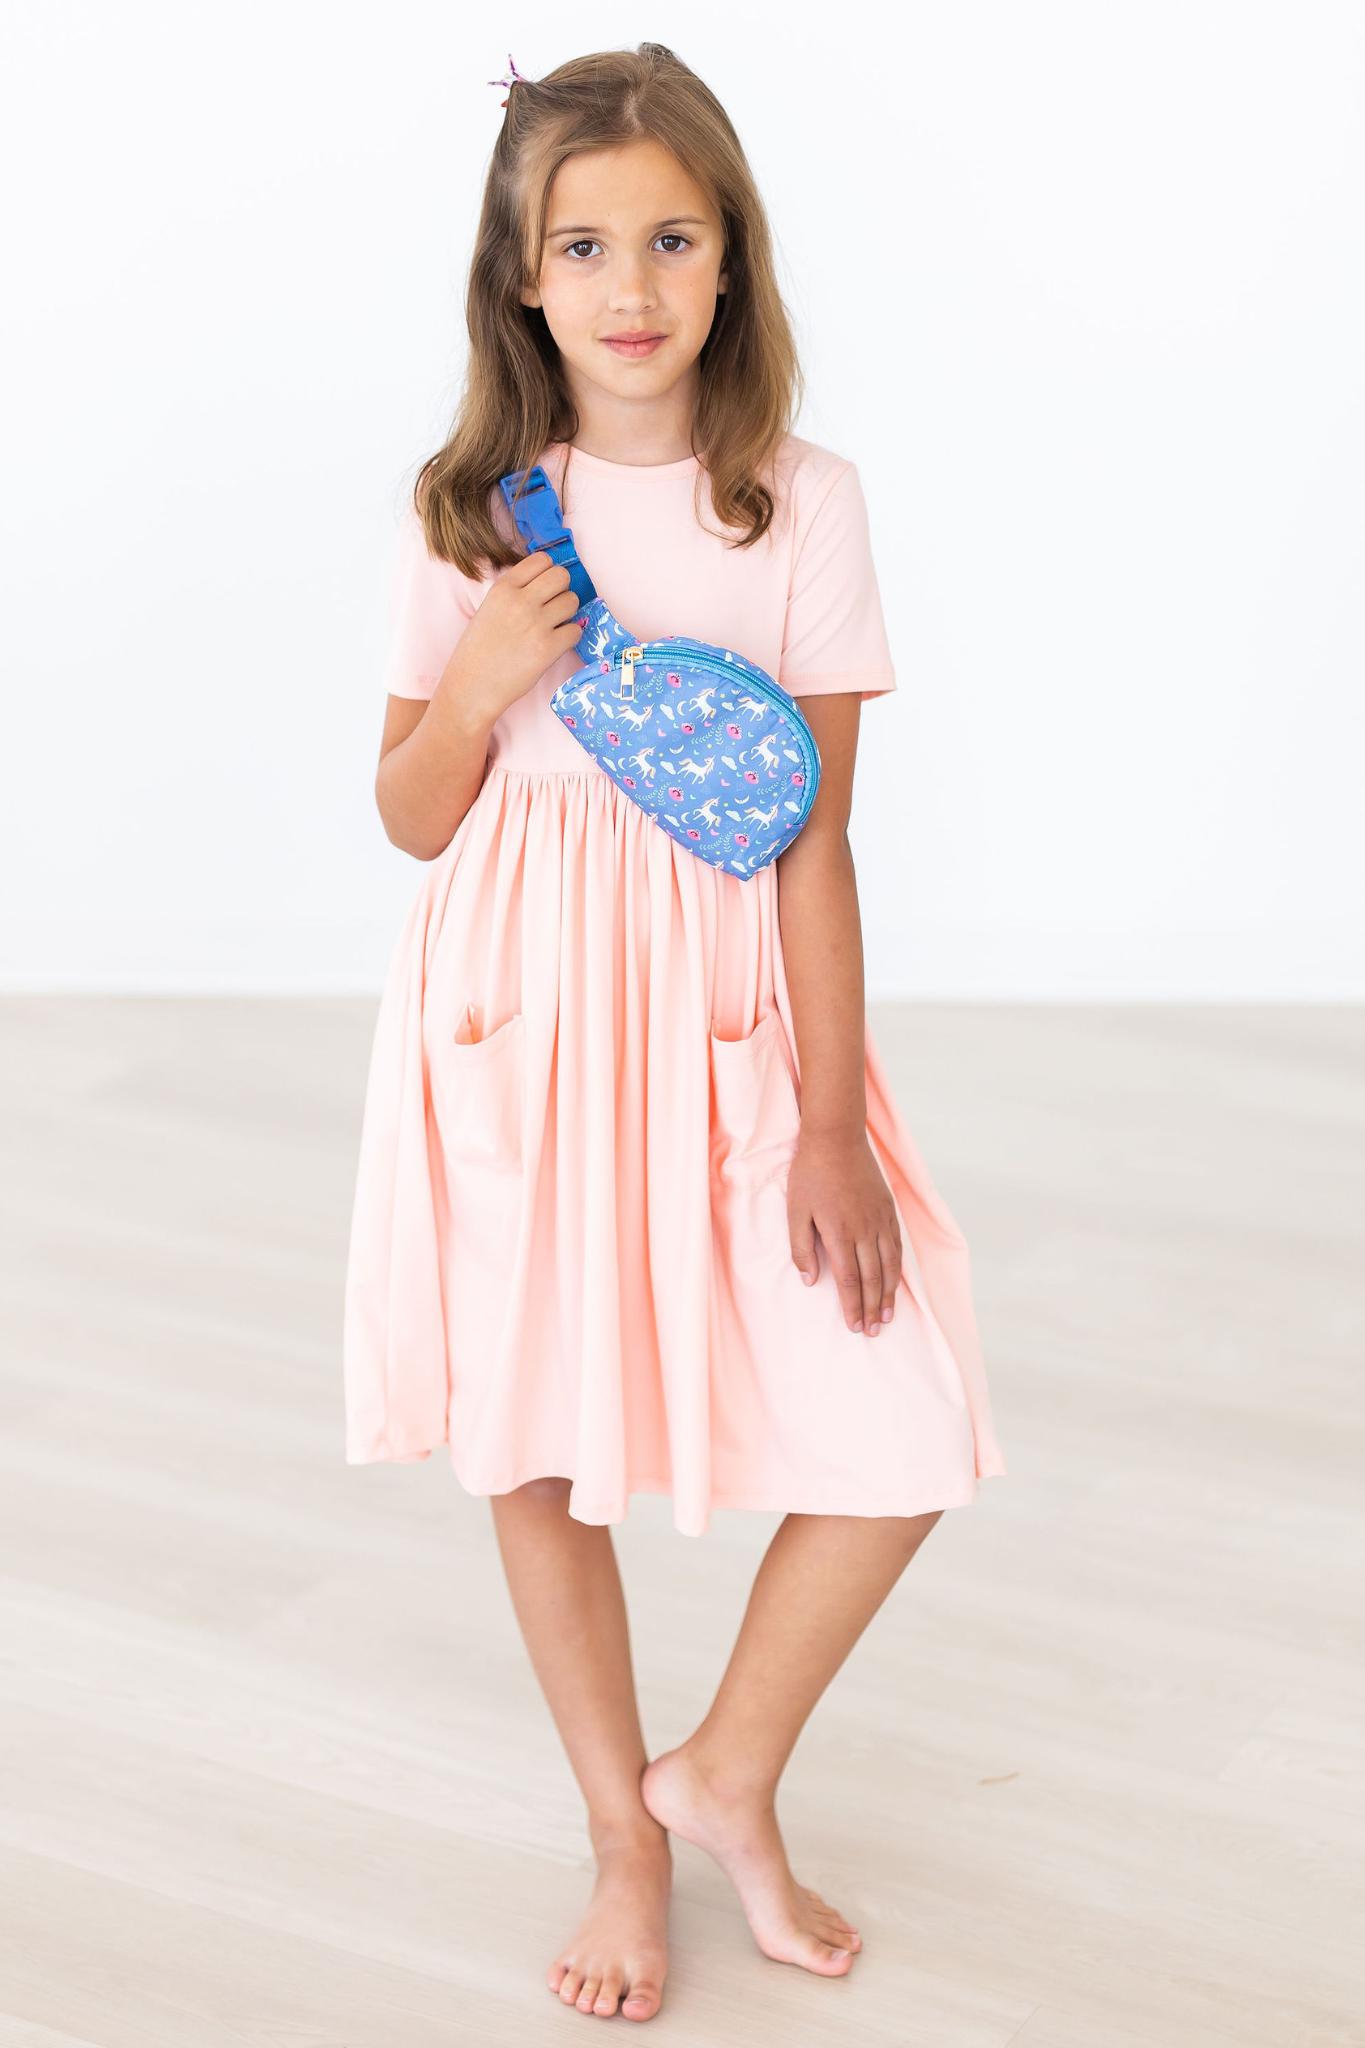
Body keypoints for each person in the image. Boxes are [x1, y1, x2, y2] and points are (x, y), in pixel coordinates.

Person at [343, 41, 1006, 2025]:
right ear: (519, 276)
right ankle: (619, 1837)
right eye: (581, 245)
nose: (627, 284)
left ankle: (717, 1773)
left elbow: (813, 837)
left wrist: (831, 1124)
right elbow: (410, 813)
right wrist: (479, 685)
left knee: (898, 1420)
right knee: (535, 1441)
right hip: (517, 1023)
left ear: (730, 259)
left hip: (726, 1018)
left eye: (670, 238)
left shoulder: (798, 503)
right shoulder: (470, 515)